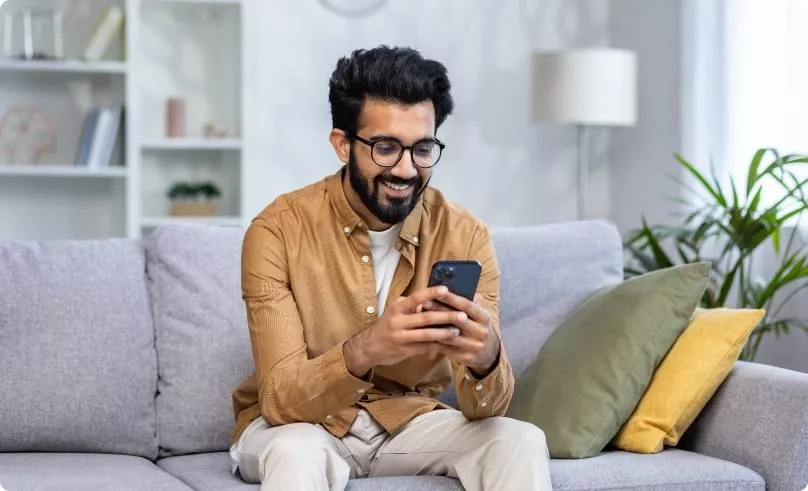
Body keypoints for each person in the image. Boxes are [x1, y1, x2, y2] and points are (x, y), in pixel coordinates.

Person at [229, 45, 552, 491]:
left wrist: (486, 357)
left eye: (422, 149)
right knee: (294, 452)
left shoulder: (466, 235)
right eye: (385, 147)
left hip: (406, 424)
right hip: (302, 427)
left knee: (519, 440)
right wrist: (369, 348)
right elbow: (280, 401)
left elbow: (485, 410)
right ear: (343, 144)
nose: (406, 169)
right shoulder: (276, 231)